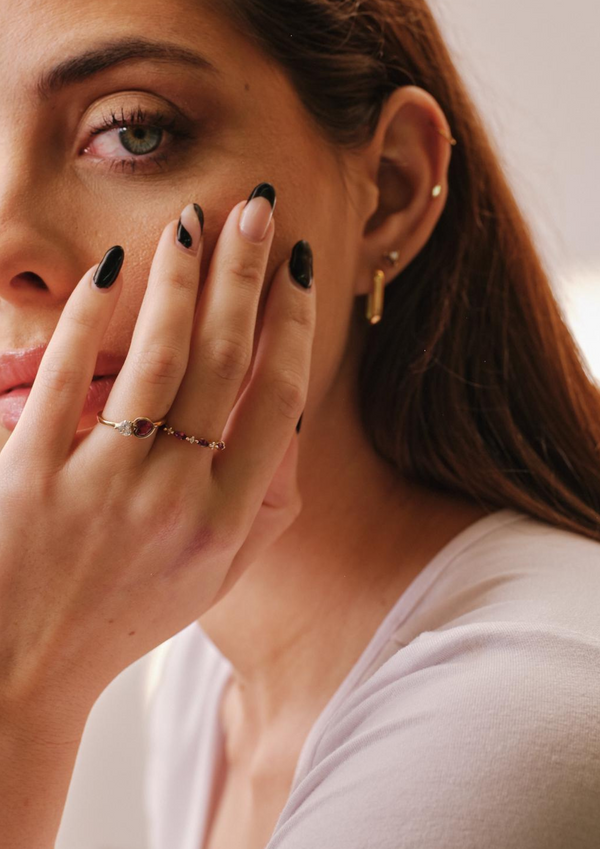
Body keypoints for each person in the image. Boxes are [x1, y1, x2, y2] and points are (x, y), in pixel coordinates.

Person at [0, 0, 599, 847]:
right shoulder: (200, 674)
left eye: (132, 132)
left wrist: (16, 687)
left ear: (388, 188)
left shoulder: (507, 721)